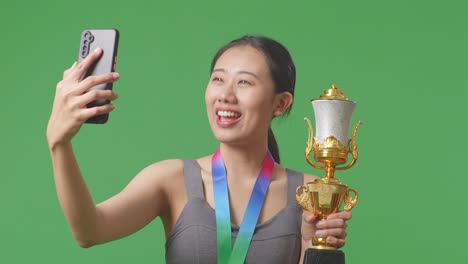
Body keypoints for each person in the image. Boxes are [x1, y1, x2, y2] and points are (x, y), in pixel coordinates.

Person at [47, 35, 352, 264]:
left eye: (244, 83)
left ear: (280, 103)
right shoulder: (170, 179)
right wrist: (59, 144)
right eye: (218, 79)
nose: (225, 95)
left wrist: (313, 246)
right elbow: (89, 231)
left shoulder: (312, 194)